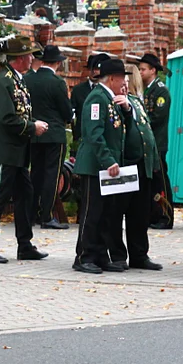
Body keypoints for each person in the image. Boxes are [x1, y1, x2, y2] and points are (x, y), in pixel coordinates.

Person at [0, 36, 49, 263]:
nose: (31, 59)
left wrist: (33, 123)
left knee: (25, 196)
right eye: (28, 55)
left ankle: (25, 245)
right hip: (6, 151)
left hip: (18, 151)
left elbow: (21, 113)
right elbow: (7, 118)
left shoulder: (18, 80)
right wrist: (32, 127)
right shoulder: (3, 81)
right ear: (18, 58)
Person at [72, 58, 128, 274]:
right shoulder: (97, 98)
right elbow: (94, 134)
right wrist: (108, 160)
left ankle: (100, 255)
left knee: (106, 213)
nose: (123, 82)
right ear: (112, 78)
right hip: (96, 166)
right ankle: (84, 256)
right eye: (122, 77)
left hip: (107, 168)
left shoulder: (109, 97)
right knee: (91, 212)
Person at [107, 64, 163, 271]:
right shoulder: (115, 102)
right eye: (123, 80)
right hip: (124, 165)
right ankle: (117, 254)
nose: (126, 85)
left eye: (128, 80)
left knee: (140, 214)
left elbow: (147, 133)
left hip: (142, 165)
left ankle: (140, 254)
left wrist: (154, 163)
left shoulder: (137, 102)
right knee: (117, 213)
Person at [26, 45, 74, 229]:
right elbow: (66, 111)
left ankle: (31, 213)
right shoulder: (57, 82)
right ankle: (46, 215)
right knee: (52, 175)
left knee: (35, 173)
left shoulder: (29, 80)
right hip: (54, 134)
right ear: (58, 63)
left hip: (34, 133)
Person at [139, 52, 174, 229]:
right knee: (151, 181)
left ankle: (166, 217)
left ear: (153, 70)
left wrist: (139, 123)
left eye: (143, 69)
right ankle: (153, 214)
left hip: (157, 143)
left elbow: (156, 117)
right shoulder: (146, 89)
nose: (141, 72)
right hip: (149, 144)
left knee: (161, 179)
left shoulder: (160, 90)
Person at [71, 53, 108, 143]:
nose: (94, 72)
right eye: (91, 69)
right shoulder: (78, 90)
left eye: (97, 69)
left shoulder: (106, 91)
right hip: (82, 135)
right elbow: (73, 114)